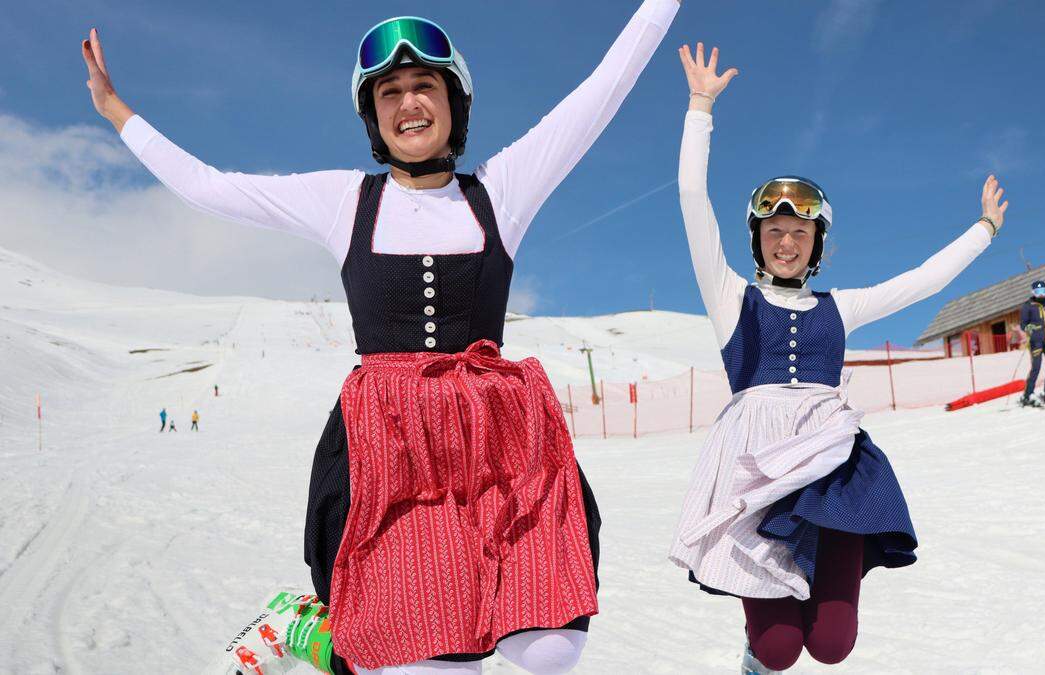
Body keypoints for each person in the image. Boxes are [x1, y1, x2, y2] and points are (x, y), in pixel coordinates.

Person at [82, 2, 680, 673]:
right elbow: (207, 187)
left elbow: (602, 89)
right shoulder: (346, 202)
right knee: (433, 654)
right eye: (389, 93)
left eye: (425, 85)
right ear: (373, 117)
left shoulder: (502, 191)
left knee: (550, 648)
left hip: (495, 443)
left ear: (455, 100)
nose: (409, 103)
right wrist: (114, 111)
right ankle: (321, 635)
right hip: (391, 446)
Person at [668, 44, 1006, 673]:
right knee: (777, 651)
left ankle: (827, 569)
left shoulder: (839, 306)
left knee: (830, 646)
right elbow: (692, 199)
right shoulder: (730, 299)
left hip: (832, 462)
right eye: (774, 232)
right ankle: (756, 647)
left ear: (817, 242)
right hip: (756, 469)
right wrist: (700, 108)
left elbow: (923, 281)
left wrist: (982, 230)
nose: (787, 241)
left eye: (800, 232)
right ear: (758, 241)